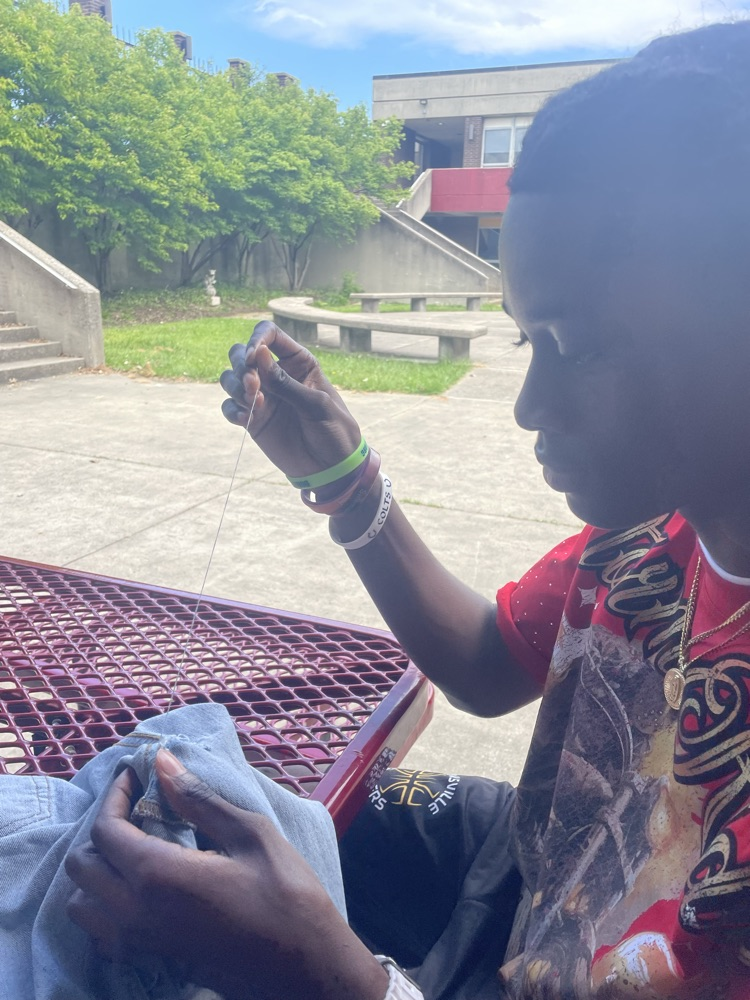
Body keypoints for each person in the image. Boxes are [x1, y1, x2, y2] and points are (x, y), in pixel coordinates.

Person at [67, 20, 750, 1000]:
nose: (530, 407)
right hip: (541, 888)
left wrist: (334, 975)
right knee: (237, 799)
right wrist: (347, 480)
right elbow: (483, 660)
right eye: (527, 340)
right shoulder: (650, 540)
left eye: (582, 343)